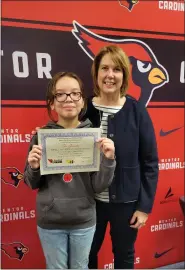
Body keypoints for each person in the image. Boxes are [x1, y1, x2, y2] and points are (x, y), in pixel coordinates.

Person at [24, 71, 116, 269]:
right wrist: (33, 167)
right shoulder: (42, 136)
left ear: (83, 101)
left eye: (75, 94)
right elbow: (31, 183)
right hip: (50, 222)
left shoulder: (94, 137)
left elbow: (99, 185)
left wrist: (108, 160)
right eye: (61, 94)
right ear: (52, 102)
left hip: (83, 221)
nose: (69, 99)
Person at [83, 45, 159, 269]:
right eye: (104, 68)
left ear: (124, 75)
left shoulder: (137, 111)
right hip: (89, 202)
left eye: (116, 69)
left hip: (126, 203)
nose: (109, 75)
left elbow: (150, 162)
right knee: (86, 255)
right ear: (96, 73)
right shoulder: (83, 108)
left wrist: (144, 207)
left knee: (124, 256)